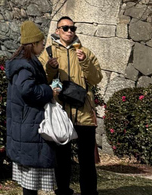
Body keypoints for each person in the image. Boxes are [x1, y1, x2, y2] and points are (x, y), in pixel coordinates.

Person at [39, 16, 103, 195]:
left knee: (87, 160)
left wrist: (84, 62)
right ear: (57, 30)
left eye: (72, 28)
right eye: (65, 28)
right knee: (62, 157)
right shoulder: (49, 52)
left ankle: (89, 192)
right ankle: (63, 190)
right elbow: (42, 79)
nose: (69, 31)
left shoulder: (85, 52)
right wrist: (51, 69)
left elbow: (96, 79)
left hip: (84, 112)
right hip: (61, 113)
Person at [7, 20, 59, 195]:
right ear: (33, 43)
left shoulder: (24, 62)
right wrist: (49, 91)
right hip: (30, 126)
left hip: (26, 125)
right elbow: (26, 89)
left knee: (29, 181)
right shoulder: (26, 65)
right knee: (30, 182)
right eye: (41, 42)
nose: (43, 45)